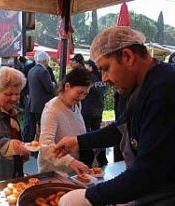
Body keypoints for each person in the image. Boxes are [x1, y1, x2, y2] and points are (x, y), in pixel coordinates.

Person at [55, 26, 175, 205]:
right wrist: (77, 141)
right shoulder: (143, 86)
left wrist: (91, 197)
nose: (103, 79)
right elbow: (120, 129)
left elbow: (150, 170)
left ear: (127, 56)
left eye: (106, 68)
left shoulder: (164, 89)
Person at [38, 68, 91, 176]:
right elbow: (45, 146)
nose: (81, 98)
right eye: (79, 92)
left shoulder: (76, 105)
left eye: (85, 94)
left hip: (74, 173)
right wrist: (71, 162)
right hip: (55, 174)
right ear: (67, 86)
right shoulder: (52, 110)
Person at [79, 59, 107, 167]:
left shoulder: (88, 78)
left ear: (90, 66)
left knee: (86, 134)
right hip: (98, 110)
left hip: (87, 110)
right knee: (98, 133)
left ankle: (88, 159)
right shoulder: (101, 77)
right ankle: (102, 159)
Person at [27, 51, 55, 142]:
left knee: (32, 129)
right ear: (46, 60)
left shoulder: (31, 70)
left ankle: (31, 148)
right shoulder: (44, 71)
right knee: (43, 128)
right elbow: (50, 88)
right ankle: (40, 148)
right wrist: (53, 84)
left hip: (32, 104)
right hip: (41, 105)